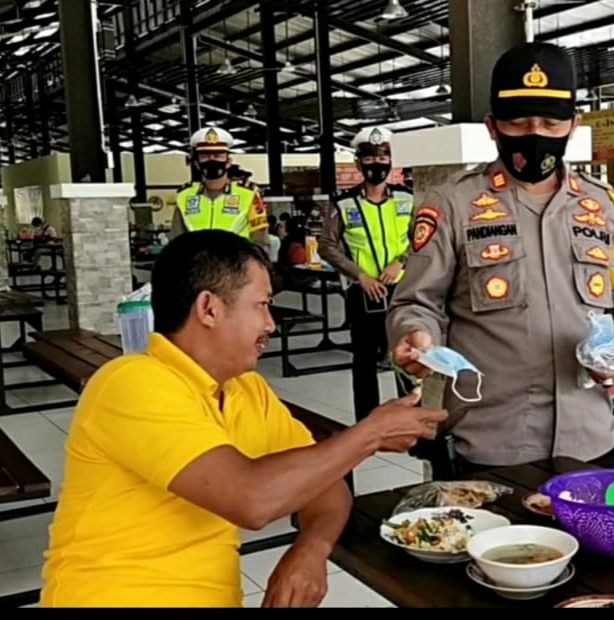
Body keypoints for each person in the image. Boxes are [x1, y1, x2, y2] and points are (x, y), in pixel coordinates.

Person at [40, 230, 446, 608]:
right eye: (262, 305)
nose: (270, 324)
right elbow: (252, 500)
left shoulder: (245, 390)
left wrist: (311, 548)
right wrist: (370, 434)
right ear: (209, 308)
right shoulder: (132, 382)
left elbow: (326, 484)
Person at [386, 42, 614, 479]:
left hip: (590, 439)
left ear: (574, 125)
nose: (536, 134)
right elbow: (416, 303)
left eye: (551, 122)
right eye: (518, 121)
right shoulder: (452, 204)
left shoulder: (605, 207)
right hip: (488, 442)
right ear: (492, 127)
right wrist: (416, 337)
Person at [319, 126, 414, 422]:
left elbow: (421, 237)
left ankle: (409, 413)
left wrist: (402, 261)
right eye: (370, 160)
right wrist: (359, 275)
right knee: (364, 359)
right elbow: (326, 245)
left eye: (383, 159)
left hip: (401, 287)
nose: (377, 165)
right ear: (359, 164)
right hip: (362, 291)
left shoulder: (407, 199)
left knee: (407, 354)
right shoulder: (344, 204)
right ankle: (368, 421)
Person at [172, 127, 269, 253]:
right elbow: (175, 241)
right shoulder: (184, 196)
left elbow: (260, 241)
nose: (212, 159)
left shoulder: (249, 194)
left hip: (236, 267)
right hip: (196, 267)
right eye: (205, 156)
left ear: (228, 162)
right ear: (196, 163)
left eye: (218, 155)